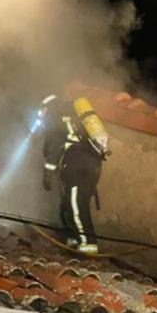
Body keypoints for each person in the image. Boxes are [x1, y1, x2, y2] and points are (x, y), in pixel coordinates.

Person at [37, 93, 111, 254]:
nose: (41, 116)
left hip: (77, 165)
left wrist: (48, 173)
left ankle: (88, 245)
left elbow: (55, 148)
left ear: (48, 108)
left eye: (42, 111)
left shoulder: (56, 118)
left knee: (76, 205)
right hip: (91, 165)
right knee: (68, 203)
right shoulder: (72, 117)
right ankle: (73, 240)